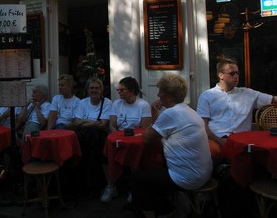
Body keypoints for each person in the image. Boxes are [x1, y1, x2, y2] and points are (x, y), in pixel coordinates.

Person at [129, 74, 212, 218]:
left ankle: (153, 213)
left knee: (136, 179)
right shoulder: (189, 110)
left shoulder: (171, 114)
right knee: (155, 171)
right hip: (204, 173)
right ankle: (166, 207)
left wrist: (153, 116)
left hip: (187, 178)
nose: (157, 94)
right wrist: (155, 114)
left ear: (170, 97)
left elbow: (148, 138)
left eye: (161, 91)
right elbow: (158, 130)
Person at [197, 58, 277, 161]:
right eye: (232, 73)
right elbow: (202, 126)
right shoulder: (207, 96)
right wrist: (220, 141)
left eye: (237, 73)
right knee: (208, 150)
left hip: (243, 139)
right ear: (221, 75)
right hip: (218, 138)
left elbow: (273, 99)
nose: (236, 76)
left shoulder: (248, 93)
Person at [101, 77, 152, 202]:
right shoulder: (116, 104)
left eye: (122, 90)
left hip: (135, 141)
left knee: (137, 156)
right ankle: (111, 186)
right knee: (104, 157)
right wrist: (117, 137)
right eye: (118, 90)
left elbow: (144, 128)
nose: (119, 92)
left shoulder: (143, 105)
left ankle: (134, 187)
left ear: (132, 90)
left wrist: (129, 140)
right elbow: (112, 125)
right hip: (119, 139)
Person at [73, 77, 112, 198]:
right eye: (91, 88)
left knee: (94, 154)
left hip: (99, 136)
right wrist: (94, 122)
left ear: (101, 90)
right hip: (84, 136)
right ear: (87, 90)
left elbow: (103, 124)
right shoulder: (82, 102)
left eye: (97, 88)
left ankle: (94, 186)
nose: (94, 90)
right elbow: (76, 122)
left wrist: (84, 121)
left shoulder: (107, 103)